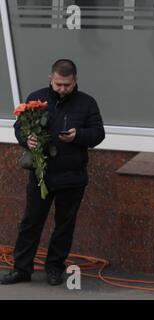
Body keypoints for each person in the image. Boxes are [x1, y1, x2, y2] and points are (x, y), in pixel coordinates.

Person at [1, 59, 105, 286]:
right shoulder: (36, 98)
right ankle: (21, 269)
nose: (62, 89)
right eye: (58, 84)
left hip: (72, 175)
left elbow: (98, 134)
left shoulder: (87, 103)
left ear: (75, 81)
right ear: (51, 78)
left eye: (67, 85)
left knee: (64, 225)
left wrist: (77, 136)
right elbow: (20, 127)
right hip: (41, 173)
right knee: (31, 221)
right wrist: (26, 140)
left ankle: (54, 268)